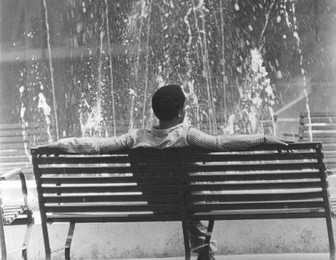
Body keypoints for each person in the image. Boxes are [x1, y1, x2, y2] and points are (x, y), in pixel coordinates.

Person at [48, 84, 288, 260]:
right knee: (196, 186)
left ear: (156, 112)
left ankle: (204, 252)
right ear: (181, 112)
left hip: (158, 202)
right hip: (192, 201)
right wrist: (264, 138)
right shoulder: (187, 135)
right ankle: (205, 252)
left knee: (186, 189)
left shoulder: (136, 137)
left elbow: (99, 145)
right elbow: (220, 143)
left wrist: (59, 144)